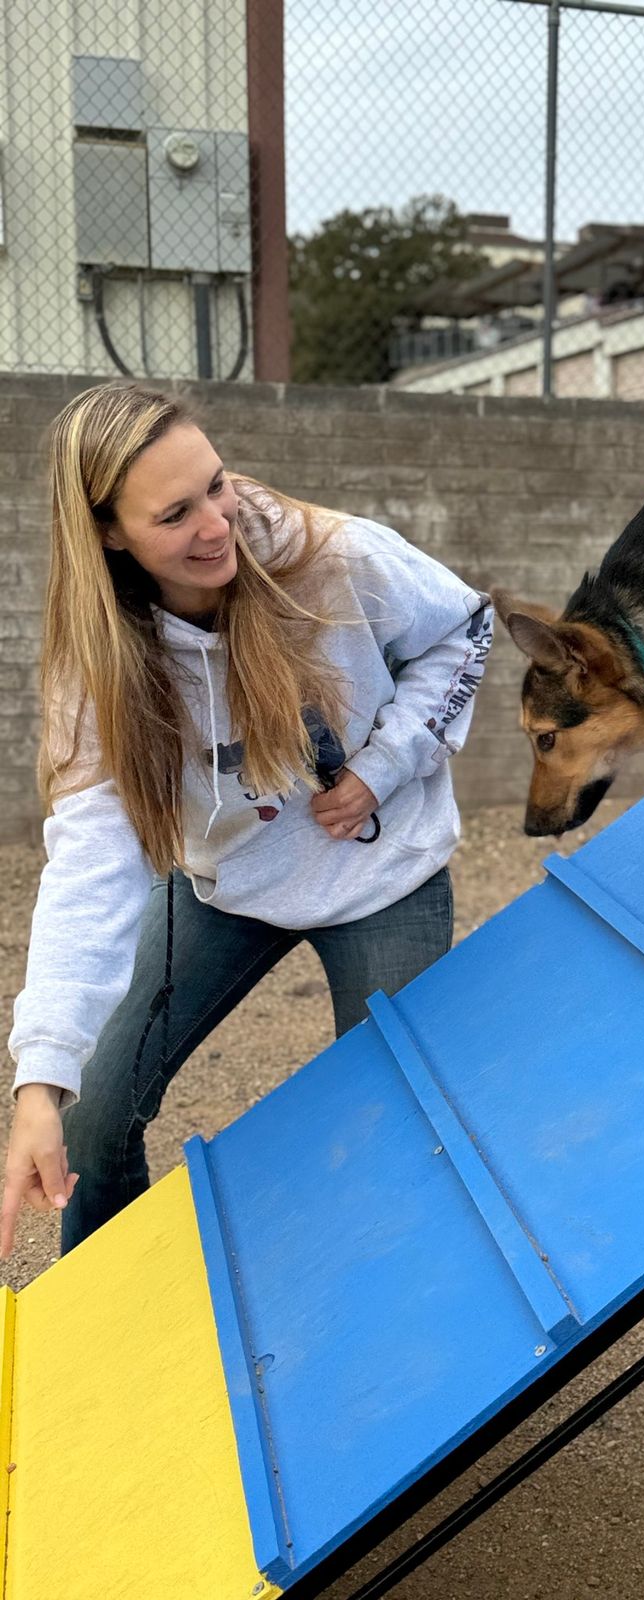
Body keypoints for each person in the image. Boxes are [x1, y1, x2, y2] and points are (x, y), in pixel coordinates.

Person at [0, 381, 492, 1256]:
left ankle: (394, 1335)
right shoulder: (100, 657)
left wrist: (385, 766)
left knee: (394, 1123)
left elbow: (465, 629)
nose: (218, 524)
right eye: (175, 513)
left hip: (380, 872)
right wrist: (41, 1077)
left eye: (217, 485)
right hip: (228, 883)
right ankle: (111, 1320)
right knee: (93, 1113)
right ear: (110, 533)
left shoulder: (328, 555)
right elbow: (89, 862)